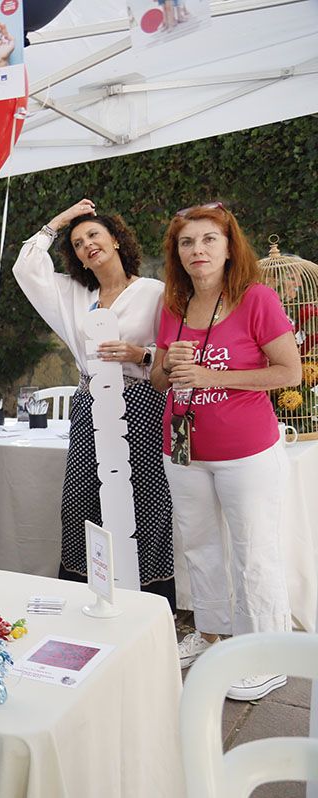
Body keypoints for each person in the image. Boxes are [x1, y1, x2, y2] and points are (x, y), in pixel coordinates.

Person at [151, 203, 301, 701]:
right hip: (185, 450)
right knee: (198, 546)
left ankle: (268, 654)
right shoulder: (172, 305)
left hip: (246, 452)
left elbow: (289, 373)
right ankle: (212, 634)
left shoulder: (256, 299)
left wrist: (215, 377)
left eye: (208, 240)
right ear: (177, 253)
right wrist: (167, 365)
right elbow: (157, 381)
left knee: (254, 553)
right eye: (187, 242)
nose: (198, 250)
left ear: (229, 246)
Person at [13, 199, 175, 605]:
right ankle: (88, 593)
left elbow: (171, 352)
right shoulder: (70, 295)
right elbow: (26, 267)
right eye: (79, 242)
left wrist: (140, 355)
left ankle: (152, 598)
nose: (87, 244)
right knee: (81, 497)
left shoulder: (154, 293)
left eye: (94, 235)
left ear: (117, 240)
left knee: (147, 497)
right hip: (90, 405)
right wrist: (60, 219)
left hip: (142, 403)